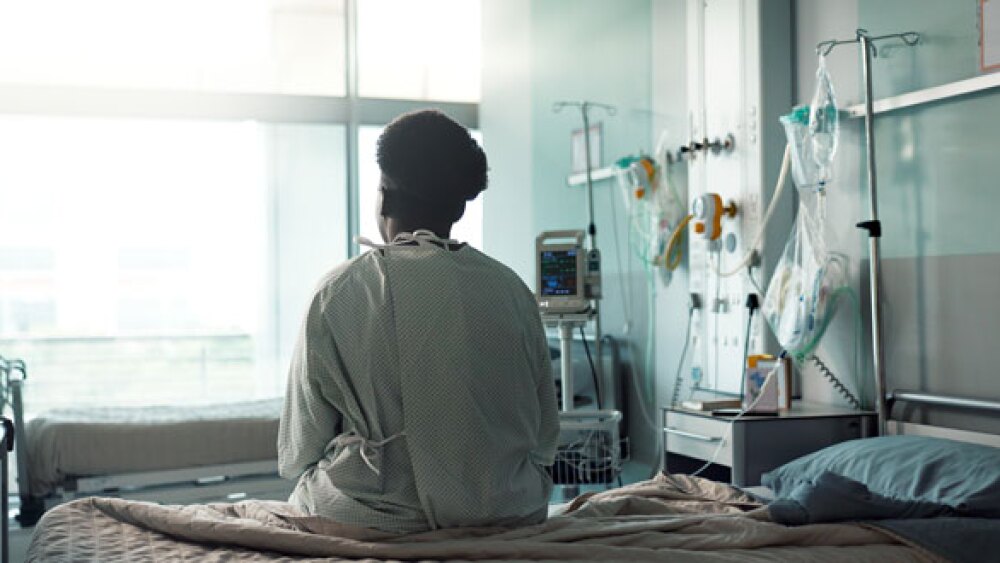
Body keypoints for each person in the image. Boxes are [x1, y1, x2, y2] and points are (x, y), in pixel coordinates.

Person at [278, 109, 560, 534]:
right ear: (460, 208)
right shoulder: (512, 290)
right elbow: (544, 438)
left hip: (371, 516)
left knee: (307, 492)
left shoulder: (339, 291)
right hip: (506, 513)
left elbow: (299, 449)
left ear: (385, 198)